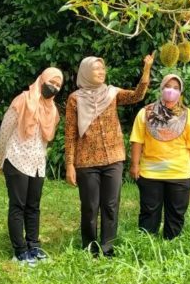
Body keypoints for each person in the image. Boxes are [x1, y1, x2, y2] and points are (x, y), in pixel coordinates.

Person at [65, 53, 154, 257]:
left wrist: (146, 69)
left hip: (113, 158)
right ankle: (90, 247)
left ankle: (107, 247)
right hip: (86, 161)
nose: (101, 72)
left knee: (111, 205)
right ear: (86, 72)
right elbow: (70, 135)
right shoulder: (75, 99)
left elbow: (137, 96)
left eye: (103, 69)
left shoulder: (112, 93)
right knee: (89, 206)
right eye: (97, 69)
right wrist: (70, 165)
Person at [0, 67, 65, 265]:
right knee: (18, 205)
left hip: (37, 163)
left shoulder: (52, 109)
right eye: (51, 81)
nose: (54, 87)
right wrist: (3, 158)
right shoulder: (23, 100)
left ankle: (33, 246)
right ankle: (20, 250)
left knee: (34, 206)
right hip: (16, 158)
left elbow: (46, 140)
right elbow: (5, 130)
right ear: (42, 79)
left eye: (58, 85)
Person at [129, 74, 190, 240]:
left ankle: (172, 244)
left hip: (179, 174)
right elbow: (137, 141)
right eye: (168, 86)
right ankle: (146, 244)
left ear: (181, 92)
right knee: (149, 212)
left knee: (176, 213)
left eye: (176, 88)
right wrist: (134, 165)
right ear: (161, 88)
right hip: (150, 173)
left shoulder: (188, 115)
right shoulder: (146, 113)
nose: (171, 90)